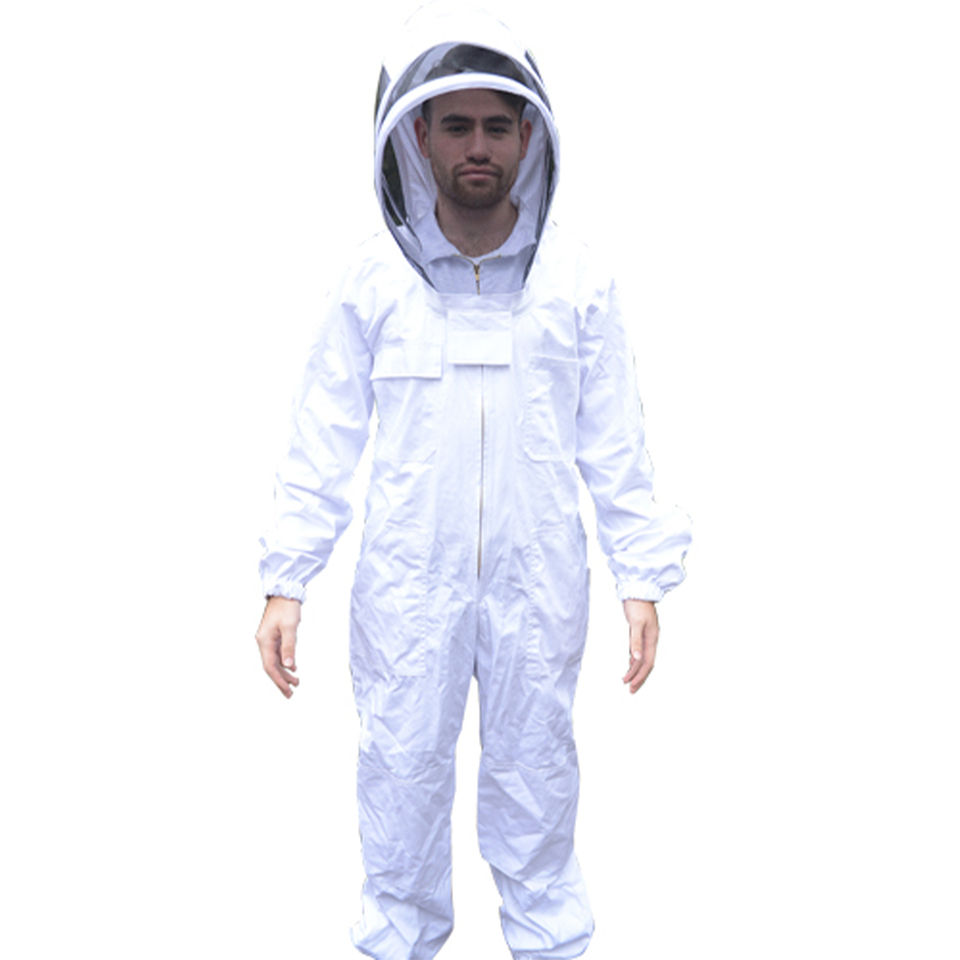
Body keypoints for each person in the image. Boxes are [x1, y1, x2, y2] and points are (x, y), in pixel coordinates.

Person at [256, 7, 691, 959]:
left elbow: (616, 438)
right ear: (418, 136)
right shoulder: (373, 279)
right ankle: (397, 944)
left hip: (540, 580)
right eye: (457, 126)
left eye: (498, 125)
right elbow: (323, 432)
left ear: (530, 136)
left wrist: (642, 575)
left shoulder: (577, 278)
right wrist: (288, 578)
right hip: (408, 585)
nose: (479, 146)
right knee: (400, 775)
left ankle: (549, 946)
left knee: (537, 779)